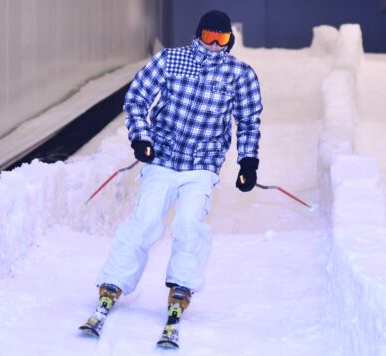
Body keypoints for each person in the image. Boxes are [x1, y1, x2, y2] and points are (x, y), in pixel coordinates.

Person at [80, 10, 263, 343]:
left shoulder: (240, 74)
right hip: (162, 159)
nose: (213, 45)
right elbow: (137, 98)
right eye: (208, 37)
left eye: (220, 40)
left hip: (202, 165)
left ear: (228, 41)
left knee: (189, 225)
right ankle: (113, 283)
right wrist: (141, 137)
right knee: (146, 219)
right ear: (198, 34)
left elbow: (249, 121)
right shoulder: (169, 60)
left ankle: (181, 287)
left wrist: (248, 161)